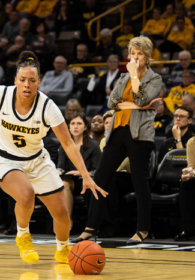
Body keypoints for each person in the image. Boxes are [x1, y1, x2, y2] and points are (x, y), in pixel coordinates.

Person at [0, 50, 106, 264]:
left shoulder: (48, 107)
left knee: (62, 213)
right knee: (26, 194)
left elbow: (67, 143)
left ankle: (63, 249)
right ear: (15, 81)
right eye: (22, 80)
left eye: (31, 80)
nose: (27, 85)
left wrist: (85, 175)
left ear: (39, 82)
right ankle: (23, 235)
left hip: (37, 160)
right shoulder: (2, 94)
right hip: (4, 159)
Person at [73, 36, 163, 244]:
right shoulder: (122, 78)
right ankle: (90, 227)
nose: (135, 57)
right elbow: (112, 102)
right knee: (100, 179)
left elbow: (141, 98)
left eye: (140, 53)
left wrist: (134, 78)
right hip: (117, 131)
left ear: (147, 56)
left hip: (139, 135)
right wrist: (137, 105)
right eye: (133, 53)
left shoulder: (154, 78)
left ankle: (142, 230)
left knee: (140, 182)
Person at [57, 113, 101, 223]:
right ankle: (67, 221)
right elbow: (61, 167)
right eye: (73, 124)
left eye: (79, 123)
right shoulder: (64, 144)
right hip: (70, 180)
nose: (75, 127)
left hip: (88, 180)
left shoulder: (94, 145)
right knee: (64, 184)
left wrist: (81, 173)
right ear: (69, 127)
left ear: (85, 127)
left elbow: (98, 170)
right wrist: (56, 172)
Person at [175, 137, 195, 241]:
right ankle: (188, 229)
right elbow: (192, 166)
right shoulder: (192, 141)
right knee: (186, 183)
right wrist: (188, 174)